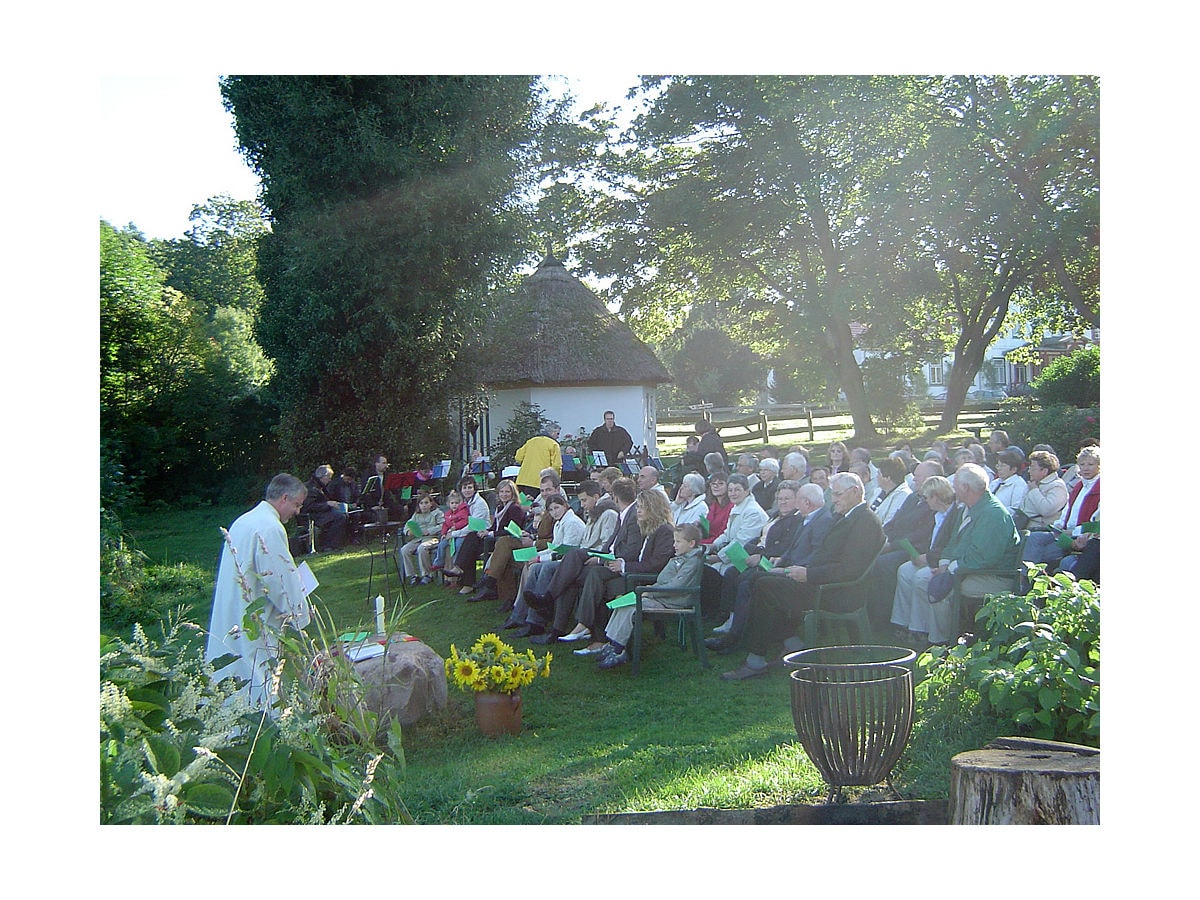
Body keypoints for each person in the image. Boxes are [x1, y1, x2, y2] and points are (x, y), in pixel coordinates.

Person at [720, 472, 884, 680]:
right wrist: (797, 570)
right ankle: (790, 645)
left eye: (838, 495)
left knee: (764, 586)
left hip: (836, 592)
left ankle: (758, 659)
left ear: (855, 492)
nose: (833, 500)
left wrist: (808, 574)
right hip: (822, 581)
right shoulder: (848, 516)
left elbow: (849, 570)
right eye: (832, 494)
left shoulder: (865, 522)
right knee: (759, 580)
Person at [205, 474, 311, 710]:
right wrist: (301, 615)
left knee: (234, 672)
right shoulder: (270, 528)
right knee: (256, 677)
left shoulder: (244, 521)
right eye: (296, 505)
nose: (297, 512)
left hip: (235, 608)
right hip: (253, 617)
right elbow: (279, 581)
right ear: (284, 498)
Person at [707, 482, 832, 650]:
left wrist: (782, 565)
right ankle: (740, 627)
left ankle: (743, 639)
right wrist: (779, 560)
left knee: (751, 582)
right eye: (779, 499)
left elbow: (811, 554)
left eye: (788, 499)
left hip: (799, 574)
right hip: (779, 562)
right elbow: (790, 548)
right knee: (737, 575)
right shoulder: (793, 517)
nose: (783, 502)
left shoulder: (810, 519)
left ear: (803, 502)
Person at [528, 477, 642, 644]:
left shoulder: (625, 515)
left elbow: (630, 549)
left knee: (571, 564)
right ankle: (556, 627)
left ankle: (549, 602)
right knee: (571, 567)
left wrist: (601, 559)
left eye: (583, 500)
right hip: (604, 558)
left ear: (615, 496)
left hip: (614, 564)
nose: (581, 504)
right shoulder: (621, 514)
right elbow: (610, 543)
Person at [566, 487, 677, 653]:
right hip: (635, 575)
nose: (637, 510)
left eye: (641, 507)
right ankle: (594, 634)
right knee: (596, 576)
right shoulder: (648, 528)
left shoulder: (665, 531)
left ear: (653, 508)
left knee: (599, 582)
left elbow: (657, 564)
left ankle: (593, 632)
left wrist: (624, 566)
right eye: (637, 506)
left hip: (647, 581)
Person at [590, 523, 708, 670]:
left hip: (672, 602)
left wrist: (651, 591)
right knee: (622, 603)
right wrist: (651, 590)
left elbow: (676, 586)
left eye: (678, 542)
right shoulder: (680, 558)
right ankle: (613, 643)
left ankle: (619, 650)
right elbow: (665, 580)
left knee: (632, 607)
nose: (674, 545)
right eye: (674, 541)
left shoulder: (692, 562)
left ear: (691, 543)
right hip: (662, 597)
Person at [889, 475, 963, 643]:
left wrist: (928, 558)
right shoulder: (935, 514)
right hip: (930, 556)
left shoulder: (955, 515)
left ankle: (920, 629)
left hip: (943, 561)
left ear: (936, 497)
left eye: (927, 497)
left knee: (920, 577)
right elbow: (930, 540)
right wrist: (918, 555)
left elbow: (949, 545)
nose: (925, 502)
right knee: (905, 570)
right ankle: (902, 622)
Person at [1024, 446, 1099, 576]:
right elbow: (1067, 510)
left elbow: (1096, 523)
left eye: (1090, 464)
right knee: (1033, 538)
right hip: (1064, 532)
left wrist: (1072, 532)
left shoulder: (1099, 487)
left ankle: (1029, 582)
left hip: (1080, 536)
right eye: (1082, 464)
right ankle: (1026, 579)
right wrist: (1059, 525)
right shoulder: (1079, 486)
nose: (1085, 468)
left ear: (1099, 465)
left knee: (1043, 553)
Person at [455, 478, 524, 597]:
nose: (504, 494)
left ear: (513, 493)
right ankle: (468, 582)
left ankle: (471, 577)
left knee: (471, 545)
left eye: (507, 492)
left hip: (506, 541)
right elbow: (494, 527)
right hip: (494, 539)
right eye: (501, 492)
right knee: (472, 540)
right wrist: (486, 531)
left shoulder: (514, 508)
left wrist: (490, 534)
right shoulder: (500, 507)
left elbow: (513, 531)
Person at [706, 473, 769, 575]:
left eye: (737, 490)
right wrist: (713, 545)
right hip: (732, 555)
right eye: (730, 490)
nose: (733, 493)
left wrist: (719, 557)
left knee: (712, 572)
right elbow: (727, 533)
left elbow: (742, 541)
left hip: (745, 558)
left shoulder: (753, 512)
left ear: (747, 491)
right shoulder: (737, 506)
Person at [1017, 449, 1069, 532]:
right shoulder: (1034, 483)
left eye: (1033, 468)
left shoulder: (1057, 486)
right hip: (1024, 526)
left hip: (1041, 530)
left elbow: (1046, 510)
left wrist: (1034, 491)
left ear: (1044, 471)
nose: (1029, 471)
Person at [398, 493, 444, 584]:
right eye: (421, 503)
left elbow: (443, 525)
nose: (424, 505)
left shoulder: (437, 513)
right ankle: (412, 575)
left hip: (433, 538)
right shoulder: (416, 515)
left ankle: (427, 574)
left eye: (426, 503)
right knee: (404, 549)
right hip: (417, 538)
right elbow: (408, 525)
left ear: (431, 503)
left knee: (422, 548)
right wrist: (408, 532)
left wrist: (429, 531)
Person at [301, 464, 349, 551]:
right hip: (312, 516)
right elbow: (310, 506)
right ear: (323, 477)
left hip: (320, 513)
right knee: (340, 517)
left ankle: (338, 542)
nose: (330, 480)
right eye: (329, 477)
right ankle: (330, 545)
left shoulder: (319, 486)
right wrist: (327, 504)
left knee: (343, 514)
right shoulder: (311, 488)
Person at [515, 423, 563, 498]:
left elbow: (518, 457)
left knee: (524, 505)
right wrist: (556, 480)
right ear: (552, 432)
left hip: (523, 480)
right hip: (540, 482)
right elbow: (556, 465)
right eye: (557, 433)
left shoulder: (531, 441)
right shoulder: (553, 444)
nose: (558, 436)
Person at [869, 455, 912, 527]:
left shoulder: (904, 496)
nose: (876, 476)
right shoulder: (878, 490)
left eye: (879, 474)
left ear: (887, 478)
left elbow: (889, 523)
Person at [989, 448, 1029, 513]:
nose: (999, 469)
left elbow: (1016, 510)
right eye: (998, 466)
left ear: (1014, 469)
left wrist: (994, 512)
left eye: (1003, 466)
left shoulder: (1019, 485)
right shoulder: (995, 482)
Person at [700, 471, 733, 546]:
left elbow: (723, 534)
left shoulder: (731, 506)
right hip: (707, 541)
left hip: (719, 544)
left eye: (720, 483)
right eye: (713, 484)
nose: (716, 486)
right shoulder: (713, 505)